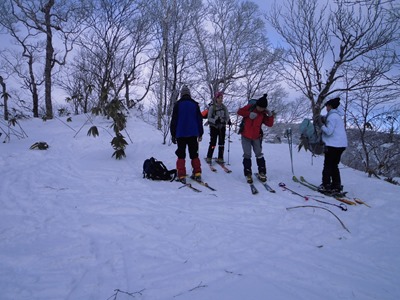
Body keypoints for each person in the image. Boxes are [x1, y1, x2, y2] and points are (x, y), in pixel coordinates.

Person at [237, 94, 274, 183]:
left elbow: (269, 124)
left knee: (259, 154)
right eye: (259, 107)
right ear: (256, 104)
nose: (260, 109)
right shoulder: (250, 107)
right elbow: (239, 111)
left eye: (262, 108)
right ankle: (248, 173)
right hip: (245, 136)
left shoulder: (263, 113)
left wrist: (270, 115)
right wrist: (249, 114)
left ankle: (262, 172)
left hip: (256, 137)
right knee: (247, 154)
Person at [170, 85, 204, 184]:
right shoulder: (195, 104)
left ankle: (181, 175)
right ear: (189, 94)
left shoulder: (177, 104)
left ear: (181, 94)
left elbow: (174, 120)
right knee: (194, 154)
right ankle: (197, 173)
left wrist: (173, 134)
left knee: (181, 154)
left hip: (180, 133)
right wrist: (200, 133)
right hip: (193, 133)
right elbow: (199, 120)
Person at [317, 97, 348, 193]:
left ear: (330, 106)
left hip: (333, 145)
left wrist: (321, 125)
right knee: (334, 165)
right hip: (340, 145)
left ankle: (326, 185)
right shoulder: (336, 116)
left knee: (328, 165)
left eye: (326, 106)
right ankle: (336, 185)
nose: (326, 108)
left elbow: (329, 132)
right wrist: (323, 119)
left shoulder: (332, 117)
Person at [205, 91, 231, 164]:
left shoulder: (224, 107)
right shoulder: (212, 107)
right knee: (213, 142)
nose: (221, 99)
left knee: (222, 142)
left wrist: (228, 121)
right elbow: (209, 118)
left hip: (222, 126)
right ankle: (209, 157)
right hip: (214, 127)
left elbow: (227, 116)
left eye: (222, 98)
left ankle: (220, 157)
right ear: (216, 98)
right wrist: (215, 121)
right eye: (219, 98)